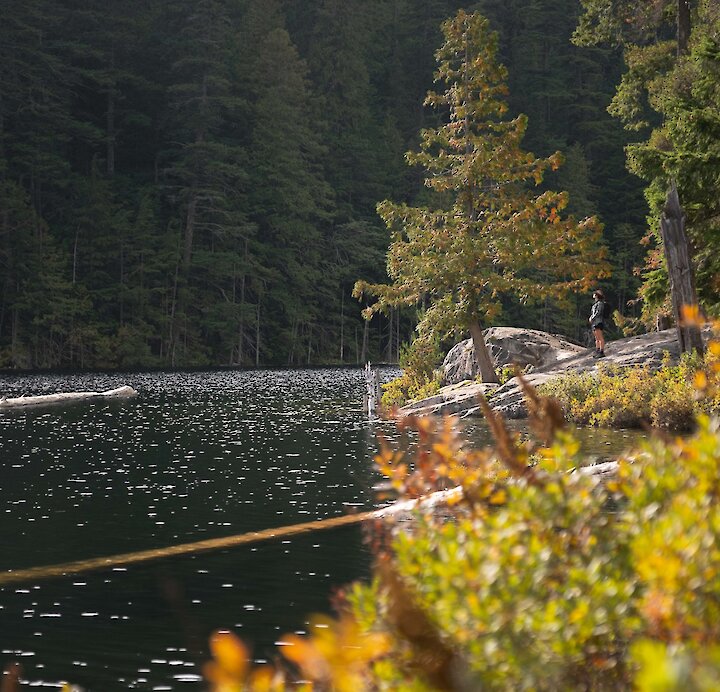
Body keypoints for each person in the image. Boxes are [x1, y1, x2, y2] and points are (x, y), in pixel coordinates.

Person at [589, 290, 606, 357]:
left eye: (594, 294)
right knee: (596, 338)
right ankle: (597, 350)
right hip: (594, 322)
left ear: (596, 295)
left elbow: (598, 312)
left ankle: (601, 352)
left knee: (600, 337)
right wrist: (591, 318)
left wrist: (592, 318)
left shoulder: (600, 303)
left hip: (598, 322)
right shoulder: (596, 304)